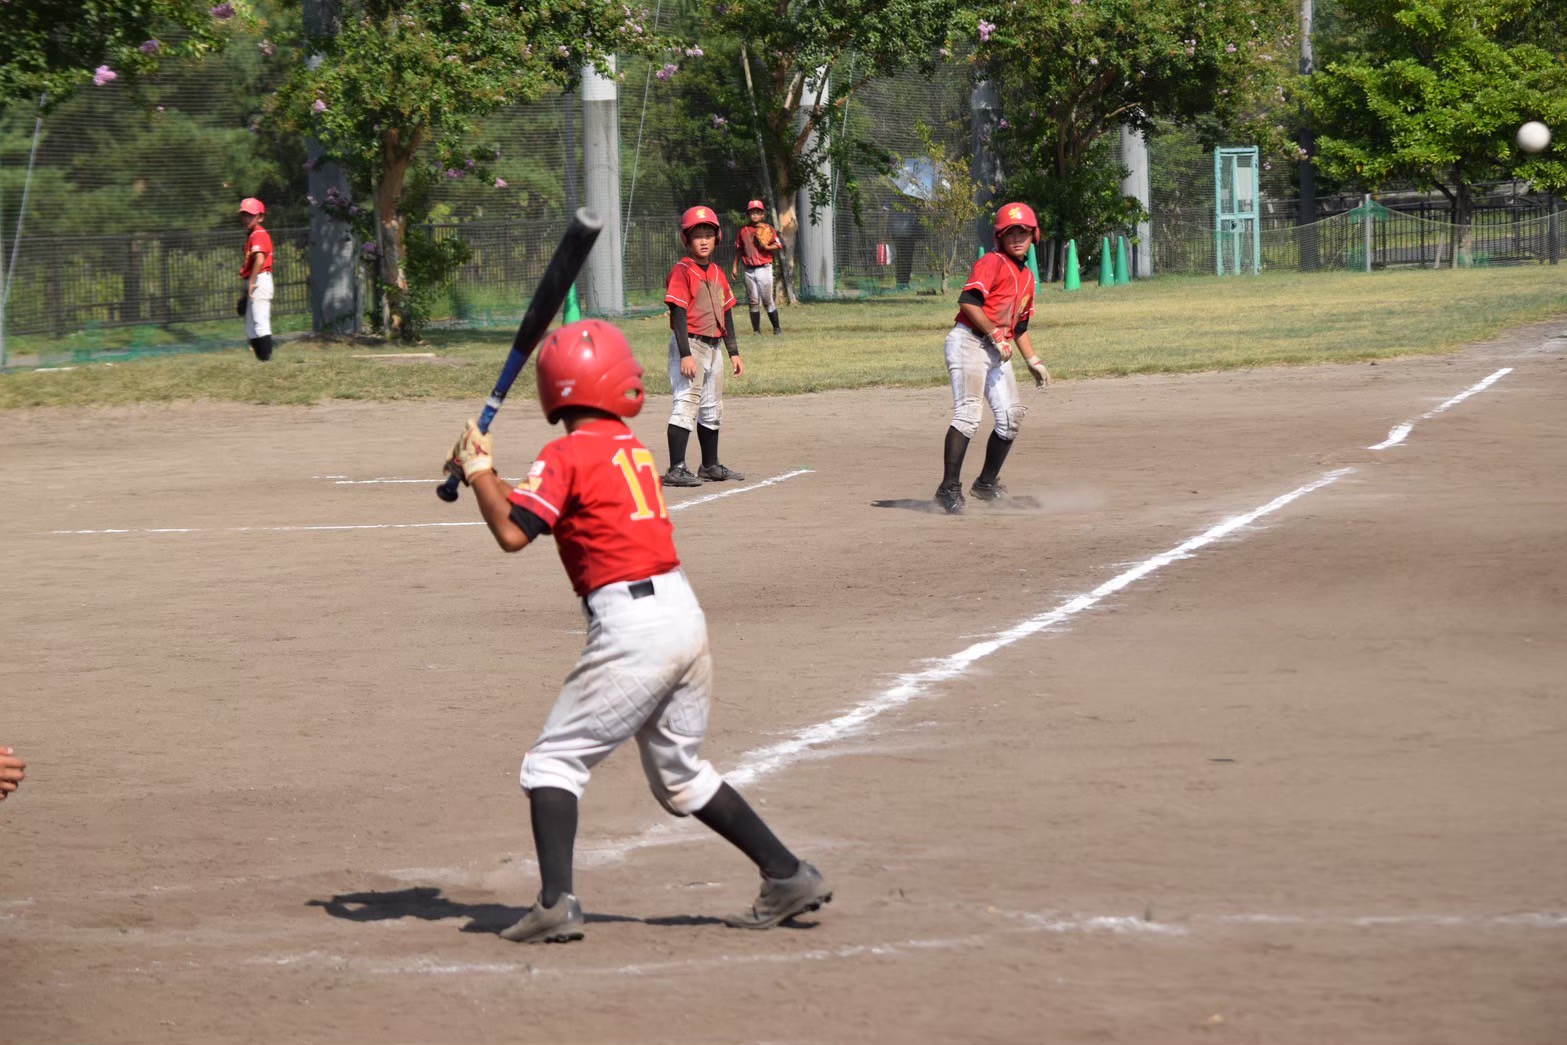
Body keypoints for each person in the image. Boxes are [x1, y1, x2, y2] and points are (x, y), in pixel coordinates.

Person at [443, 319, 831, 944]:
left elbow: (513, 532)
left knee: (553, 762)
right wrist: (480, 473)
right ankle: (787, 875)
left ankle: (555, 904)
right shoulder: (627, 447)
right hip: (682, 614)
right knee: (679, 774)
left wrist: (480, 470)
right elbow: (536, 508)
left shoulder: (566, 454)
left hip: (633, 627)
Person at [934, 202, 1052, 514]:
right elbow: (968, 301)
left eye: (1023, 232)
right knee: (969, 415)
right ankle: (948, 489)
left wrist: (1033, 361)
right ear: (1000, 237)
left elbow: (1020, 327)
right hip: (969, 342)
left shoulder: (1028, 277)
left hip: (995, 348)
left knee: (1011, 418)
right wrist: (995, 335)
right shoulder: (992, 262)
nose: (1017, 238)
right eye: (1010, 232)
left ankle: (985, 484)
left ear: (1034, 235)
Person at [662, 205, 746, 488]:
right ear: (686, 239)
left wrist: (733, 352)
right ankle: (676, 468)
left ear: (716, 238)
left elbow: (727, 313)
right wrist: (685, 354)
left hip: (713, 347)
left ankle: (709, 465)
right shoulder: (682, 271)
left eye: (708, 234)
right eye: (697, 235)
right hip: (690, 345)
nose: (703, 240)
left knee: (712, 407)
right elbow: (678, 313)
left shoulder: (718, 273)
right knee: (687, 403)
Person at [731, 199, 782, 336]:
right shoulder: (743, 231)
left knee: (767, 300)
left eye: (758, 212)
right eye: (752, 212)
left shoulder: (768, 229)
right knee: (753, 301)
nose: (755, 215)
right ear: (748, 214)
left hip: (764, 268)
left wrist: (767, 247)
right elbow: (739, 250)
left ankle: (777, 328)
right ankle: (756, 331)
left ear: (763, 215)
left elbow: (778, 245)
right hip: (749, 269)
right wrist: (734, 267)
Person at [238, 197, 275, 362]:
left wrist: (252, 282)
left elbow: (260, 260)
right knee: (251, 328)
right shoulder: (253, 234)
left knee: (260, 322)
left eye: (251, 215)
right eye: (244, 214)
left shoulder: (258, 234)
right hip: (255, 279)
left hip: (260, 279)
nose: (246, 218)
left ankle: (267, 362)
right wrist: (245, 291)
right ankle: (262, 362)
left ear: (260, 217)